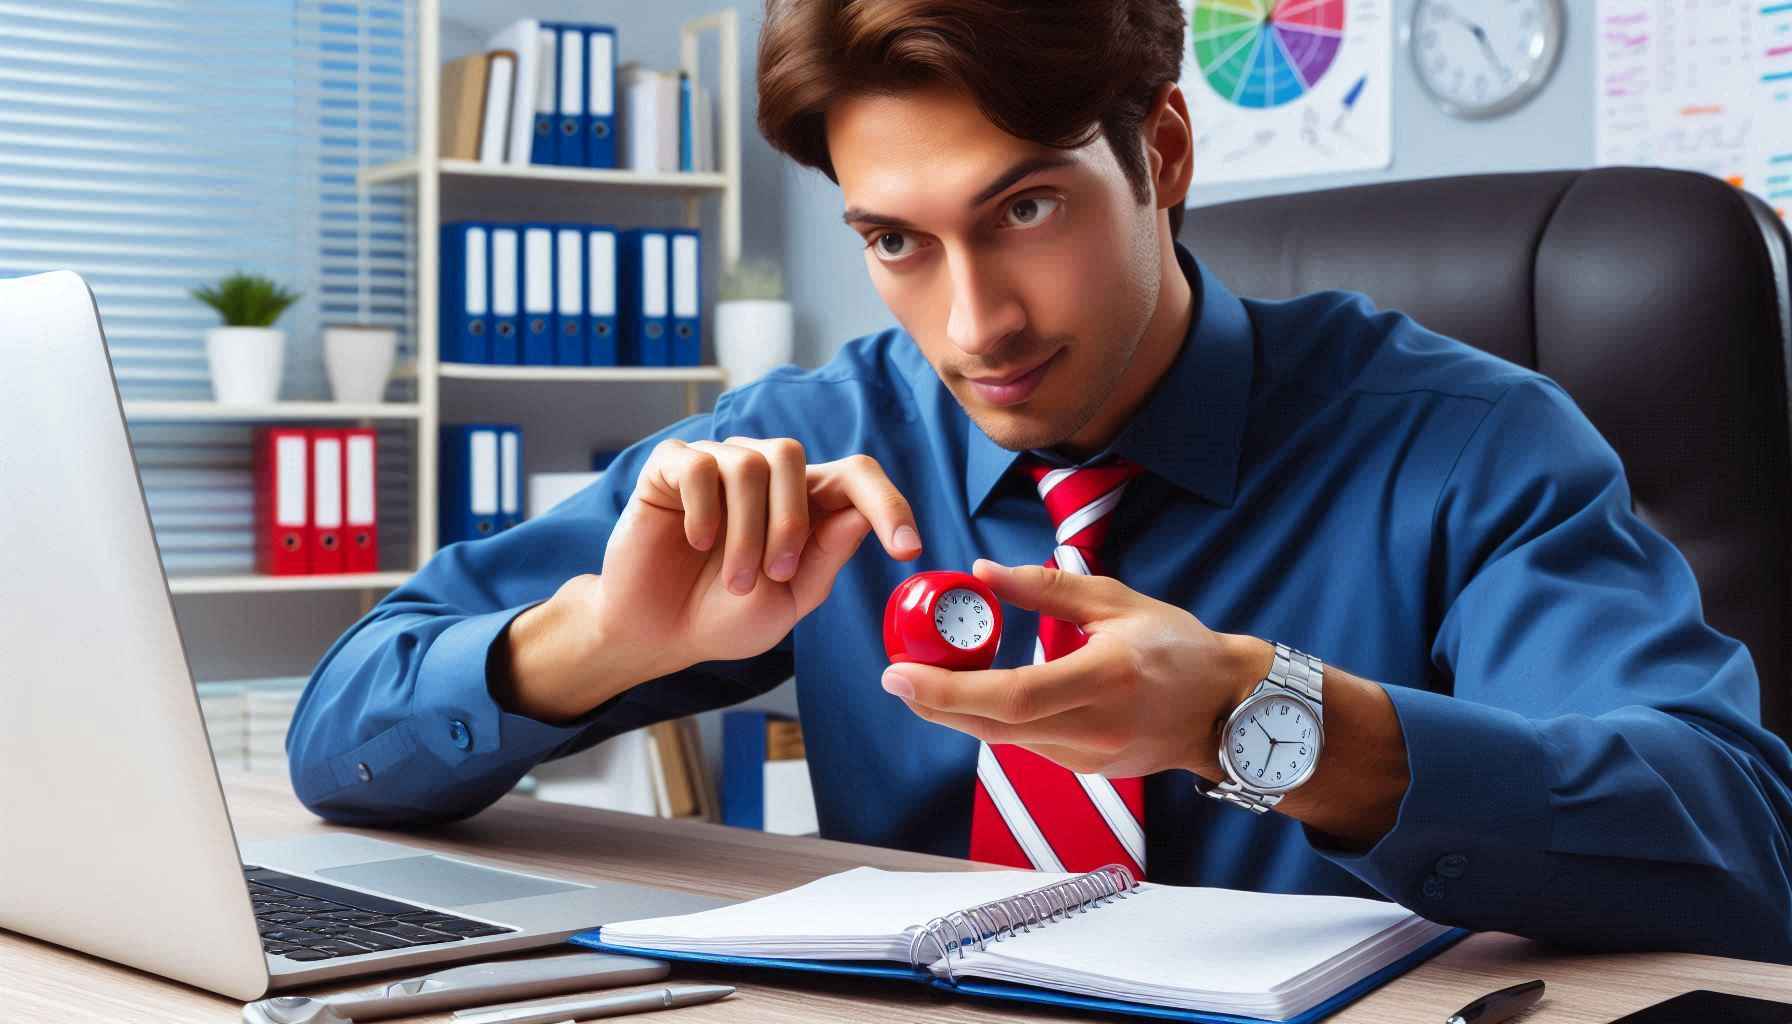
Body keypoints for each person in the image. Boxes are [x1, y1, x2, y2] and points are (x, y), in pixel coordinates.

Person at [286, 0, 1792, 962]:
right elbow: (341, 730)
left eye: (1025, 208)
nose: (971, 323)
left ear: (1166, 149)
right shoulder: (815, 434)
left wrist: (1261, 718)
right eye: (895, 241)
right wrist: (604, 647)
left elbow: (1734, 843)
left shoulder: (1474, 441)